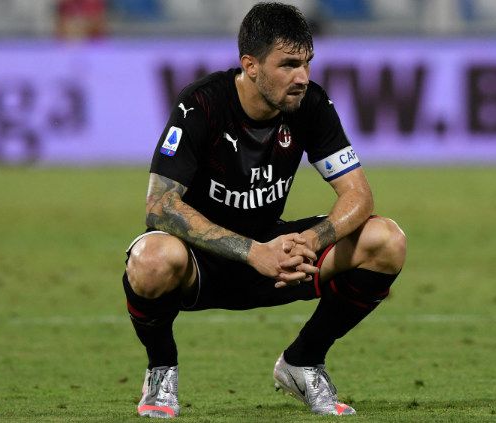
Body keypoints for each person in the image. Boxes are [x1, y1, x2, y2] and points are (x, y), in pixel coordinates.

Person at [122, 2, 406, 418]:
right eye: (288, 64)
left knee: (386, 240)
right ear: (250, 65)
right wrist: (254, 252)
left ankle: (303, 361)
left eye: (307, 63)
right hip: (202, 265)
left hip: (279, 260)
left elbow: (358, 196)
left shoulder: (310, 104)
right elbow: (160, 207)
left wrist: (309, 241)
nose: (302, 77)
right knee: (151, 258)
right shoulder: (201, 105)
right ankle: (161, 371)